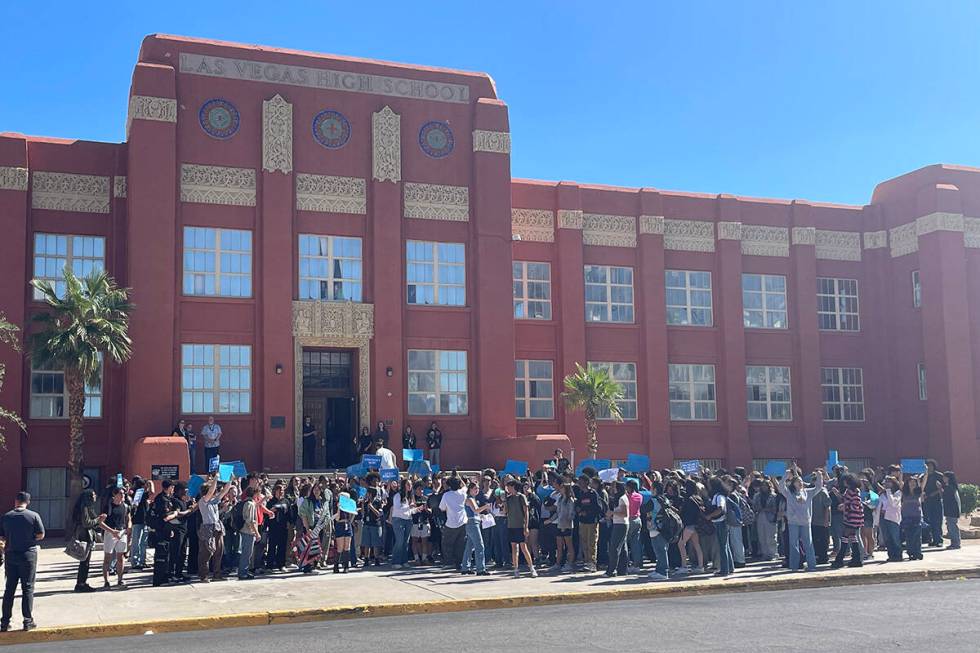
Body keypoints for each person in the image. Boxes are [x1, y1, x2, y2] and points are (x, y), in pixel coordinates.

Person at [0, 492, 44, 632]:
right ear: (28, 502)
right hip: (28, 555)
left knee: (9, 589)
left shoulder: (6, 517)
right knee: (28, 588)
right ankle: (27, 620)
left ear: (16, 501)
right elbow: (41, 534)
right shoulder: (33, 516)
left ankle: (5, 622)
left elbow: (2, 537)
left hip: (11, 555)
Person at [778, 466, 823, 572]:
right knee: (793, 544)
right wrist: (786, 476)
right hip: (793, 522)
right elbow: (781, 487)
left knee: (809, 544)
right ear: (793, 484)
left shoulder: (808, 492)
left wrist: (819, 476)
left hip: (806, 522)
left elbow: (819, 487)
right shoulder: (789, 494)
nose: (800, 483)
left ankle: (812, 565)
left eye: (801, 481)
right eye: (798, 481)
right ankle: (794, 566)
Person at [198, 475, 234, 582]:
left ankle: (217, 574)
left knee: (219, 551)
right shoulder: (203, 501)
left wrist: (230, 479)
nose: (215, 492)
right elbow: (210, 492)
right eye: (213, 490)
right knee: (206, 553)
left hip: (217, 527)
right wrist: (215, 479)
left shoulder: (214, 501)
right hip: (207, 528)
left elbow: (224, 492)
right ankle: (204, 575)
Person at [99, 486, 131, 590]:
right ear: (114, 495)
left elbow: (128, 518)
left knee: (120, 558)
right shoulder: (108, 507)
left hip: (122, 532)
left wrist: (128, 528)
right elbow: (100, 523)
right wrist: (112, 531)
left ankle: (120, 579)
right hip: (110, 533)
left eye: (124, 494)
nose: (123, 496)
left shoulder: (125, 506)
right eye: (121, 494)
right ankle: (106, 581)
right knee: (107, 558)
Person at [68, 490, 100, 593]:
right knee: (84, 561)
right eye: (94, 495)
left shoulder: (85, 506)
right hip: (84, 535)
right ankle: (81, 584)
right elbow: (87, 522)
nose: (95, 497)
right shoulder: (84, 507)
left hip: (84, 534)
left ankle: (82, 582)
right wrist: (98, 520)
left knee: (85, 561)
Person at [439, 476, 467, 570]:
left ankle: (448, 562)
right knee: (461, 544)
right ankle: (460, 562)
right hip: (463, 522)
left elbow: (442, 508)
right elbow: (465, 486)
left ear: (449, 485)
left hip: (451, 522)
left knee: (447, 543)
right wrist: (458, 476)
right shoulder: (463, 493)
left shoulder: (446, 495)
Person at [575, 475, 602, 572]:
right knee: (584, 542)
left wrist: (588, 512)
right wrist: (578, 510)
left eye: (581, 481)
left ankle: (592, 563)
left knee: (591, 542)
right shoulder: (580, 493)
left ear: (586, 482)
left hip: (592, 521)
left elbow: (599, 507)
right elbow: (577, 505)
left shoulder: (593, 493)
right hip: (582, 522)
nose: (579, 483)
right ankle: (586, 561)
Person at [390, 479, 418, 568]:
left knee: (406, 541)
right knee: (399, 541)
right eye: (408, 484)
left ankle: (404, 561)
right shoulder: (398, 496)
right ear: (403, 485)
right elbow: (397, 509)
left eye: (410, 484)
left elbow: (410, 511)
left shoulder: (409, 497)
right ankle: (396, 562)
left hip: (408, 520)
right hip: (398, 520)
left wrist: (417, 509)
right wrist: (409, 506)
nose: (410, 486)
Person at [878, 475, 904, 562]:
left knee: (894, 537)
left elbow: (893, 503)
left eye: (888, 482)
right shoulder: (882, 493)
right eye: (885, 483)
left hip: (892, 518)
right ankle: (891, 555)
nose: (886, 484)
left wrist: (888, 491)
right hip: (883, 517)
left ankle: (898, 555)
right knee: (887, 538)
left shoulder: (898, 493)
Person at [130, 478, 153, 571]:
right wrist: (151, 483)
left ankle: (142, 561)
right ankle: (135, 562)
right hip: (138, 520)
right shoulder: (139, 493)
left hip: (144, 520)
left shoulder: (139, 493)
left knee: (143, 542)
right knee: (137, 542)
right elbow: (152, 492)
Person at [238, 486, 260, 580]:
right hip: (248, 531)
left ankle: (244, 571)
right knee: (247, 553)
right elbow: (250, 521)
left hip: (243, 530)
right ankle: (243, 572)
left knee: (246, 552)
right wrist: (256, 532)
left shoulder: (244, 502)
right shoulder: (250, 504)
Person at [921, 459, 944, 547]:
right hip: (926, 501)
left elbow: (942, 489)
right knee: (928, 521)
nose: (929, 467)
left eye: (931, 465)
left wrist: (932, 494)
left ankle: (939, 540)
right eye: (927, 466)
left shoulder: (939, 476)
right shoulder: (923, 476)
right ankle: (931, 539)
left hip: (936, 501)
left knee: (937, 521)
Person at [901, 476, 924, 561]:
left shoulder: (918, 492)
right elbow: (900, 482)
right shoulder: (905, 492)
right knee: (909, 536)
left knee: (917, 536)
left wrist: (924, 473)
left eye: (914, 481)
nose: (912, 483)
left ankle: (918, 552)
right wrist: (901, 473)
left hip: (916, 516)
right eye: (910, 481)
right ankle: (911, 552)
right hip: (907, 516)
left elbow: (923, 482)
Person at [333, 493, 354, 573]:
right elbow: (337, 518)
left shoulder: (348, 506)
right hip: (340, 525)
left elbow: (352, 515)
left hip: (347, 525)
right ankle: (336, 565)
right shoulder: (337, 505)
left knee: (347, 547)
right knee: (340, 547)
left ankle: (346, 566)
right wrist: (339, 508)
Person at [942, 471, 962, 550]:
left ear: (948, 478)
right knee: (951, 527)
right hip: (950, 511)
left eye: (945, 477)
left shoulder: (950, 487)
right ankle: (954, 543)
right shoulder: (950, 487)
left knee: (952, 527)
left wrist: (940, 489)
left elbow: (947, 498)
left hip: (952, 511)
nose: (943, 478)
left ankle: (956, 543)